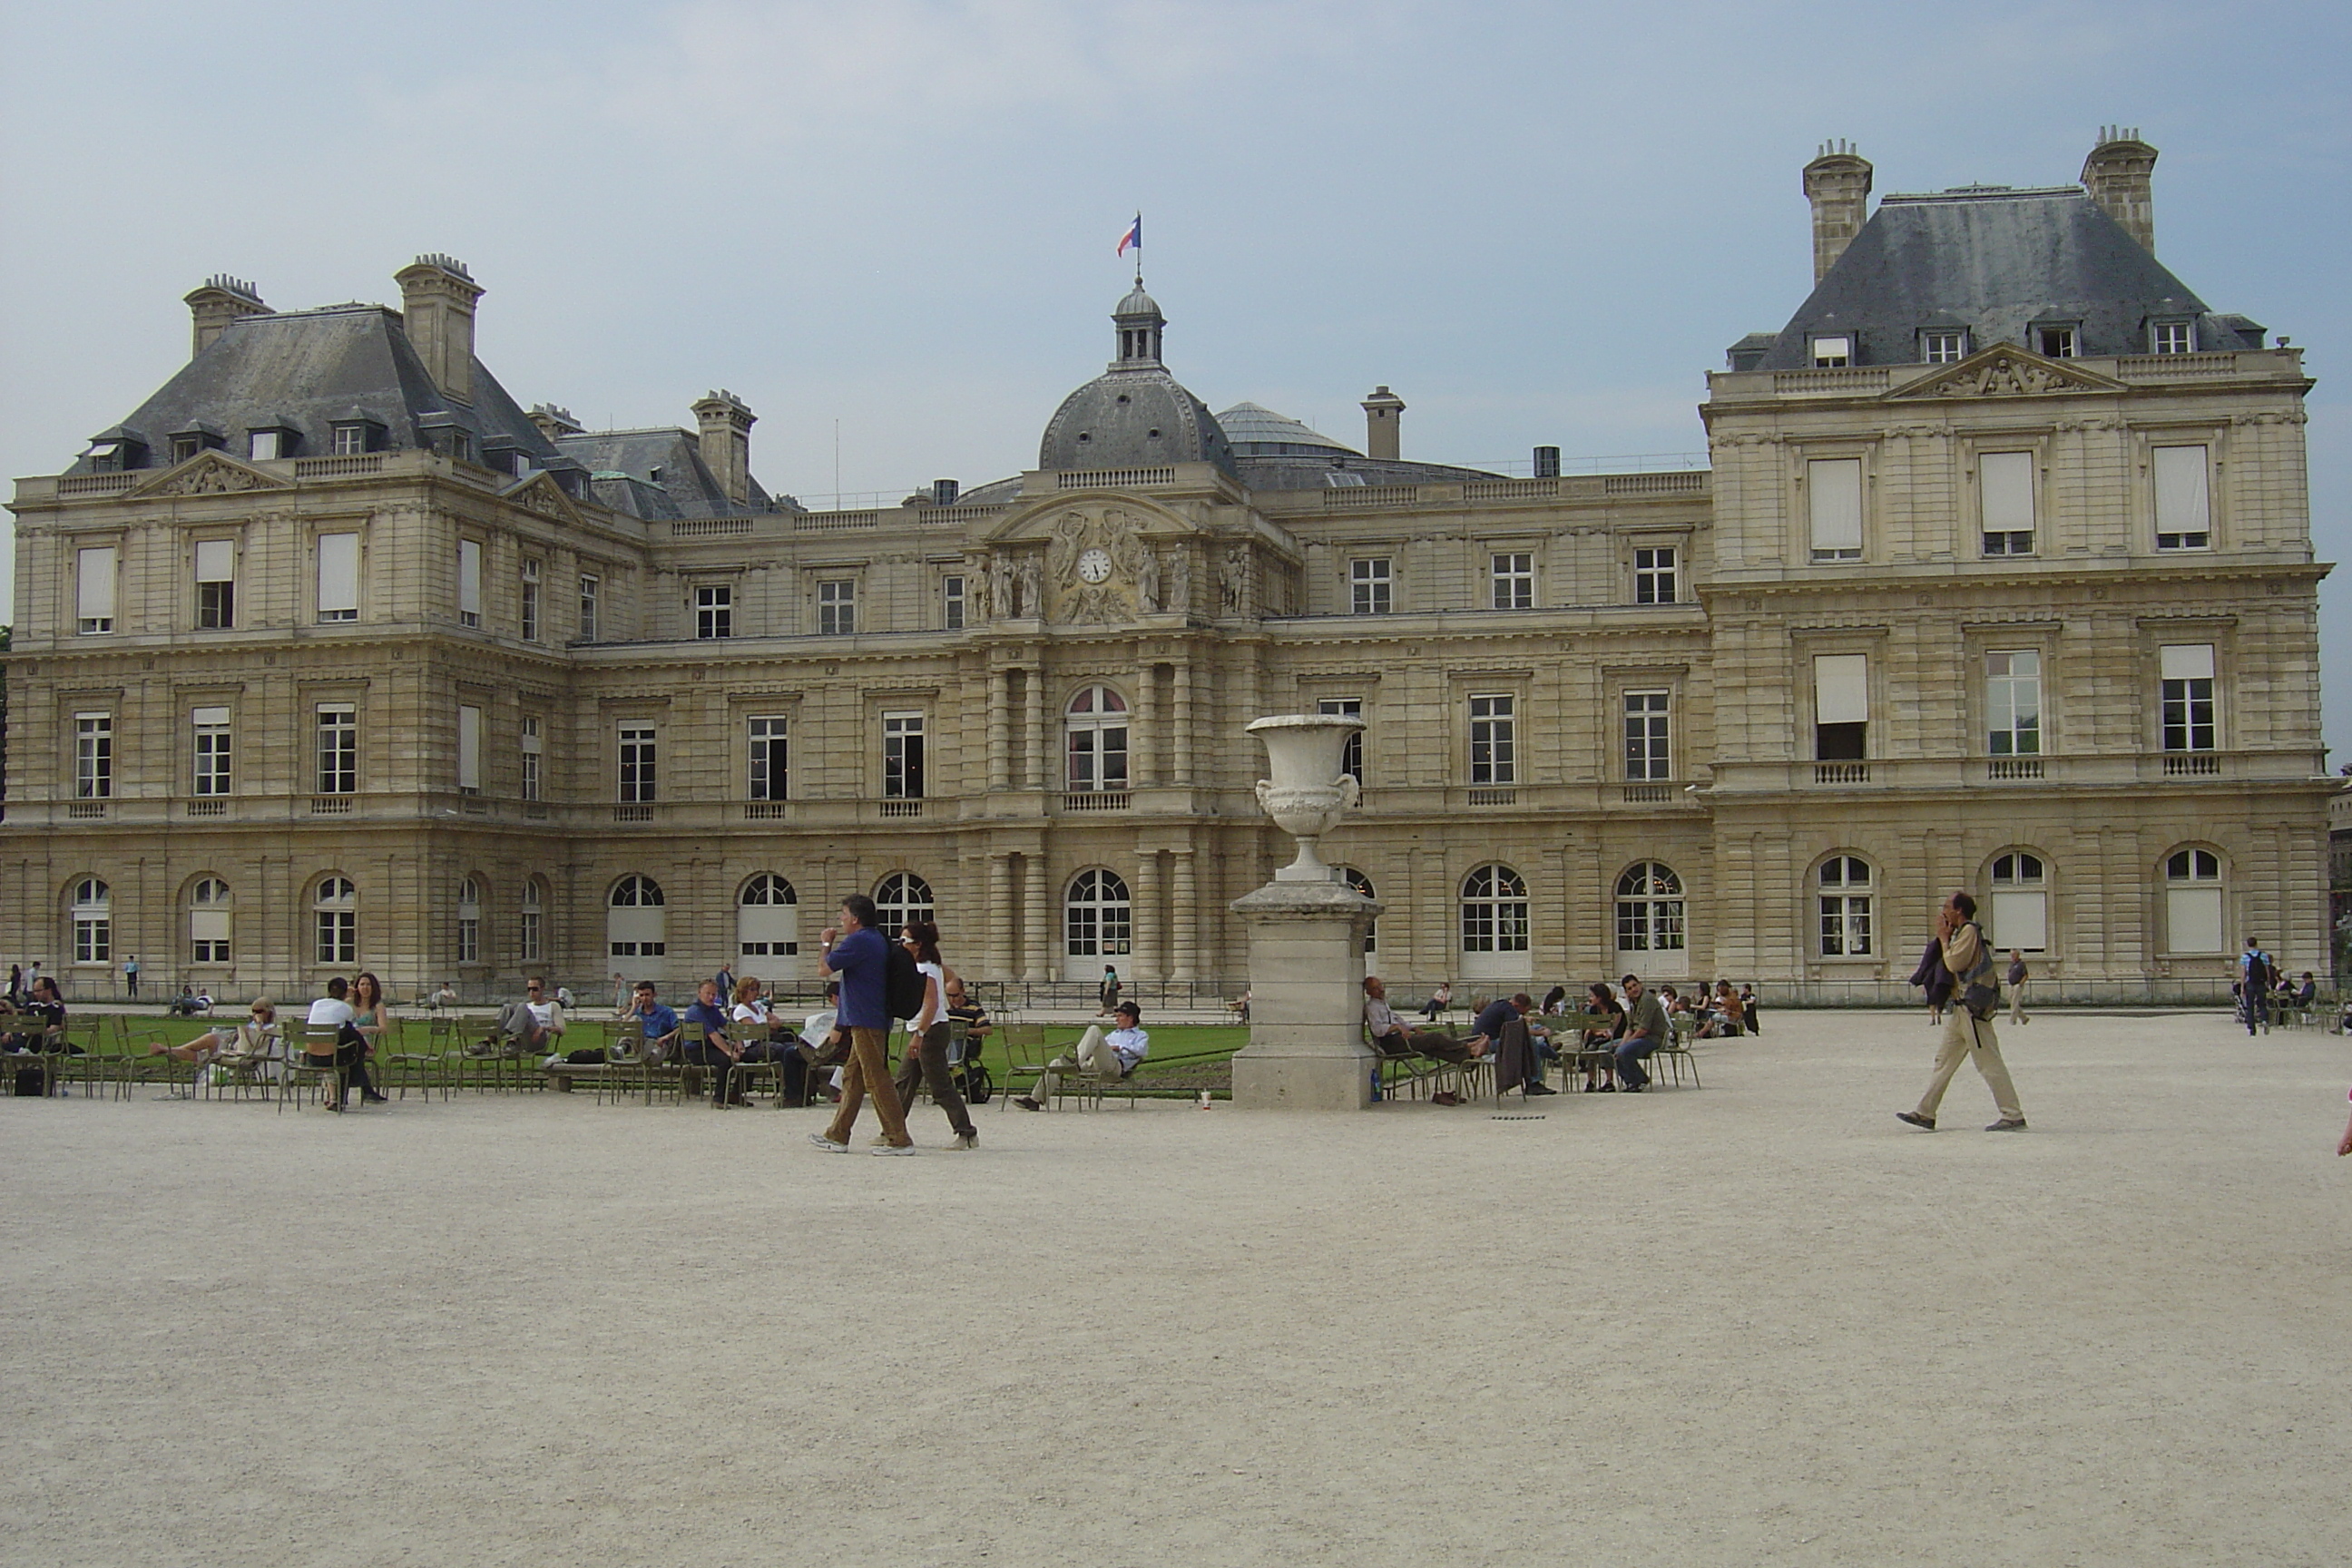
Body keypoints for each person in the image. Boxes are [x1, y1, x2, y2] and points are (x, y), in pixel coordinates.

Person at [1897, 892, 2028, 1132]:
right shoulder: (1962, 932)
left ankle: (2012, 1114)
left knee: (1989, 1063)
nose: (1943, 911)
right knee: (1943, 1062)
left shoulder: (1968, 931)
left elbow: (1954, 963)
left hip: (1971, 1010)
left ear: (1959, 911)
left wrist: (1943, 940)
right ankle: (1925, 1112)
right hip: (1961, 1010)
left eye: (1947, 907)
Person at [809, 895, 914, 1153]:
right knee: (853, 1077)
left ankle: (899, 1138)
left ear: (855, 918)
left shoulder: (860, 940)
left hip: (866, 1019)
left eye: (843, 914)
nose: (841, 919)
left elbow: (823, 969)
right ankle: (838, 1134)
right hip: (864, 1017)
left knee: (876, 1078)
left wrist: (826, 942)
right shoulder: (875, 938)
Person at [888, 920, 978, 1150]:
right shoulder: (929, 965)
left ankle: (966, 1133)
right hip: (926, 1028)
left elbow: (930, 1004)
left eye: (905, 941)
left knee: (940, 1085)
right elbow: (950, 975)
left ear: (917, 944)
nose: (901, 944)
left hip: (930, 1030)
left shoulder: (925, 968)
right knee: (905, 1081)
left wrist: (919, 1034)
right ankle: (891, 1130)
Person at [1016, 1001, 1148, 1110]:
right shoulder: (1114, 1034)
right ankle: (1035, 1100)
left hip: (1116, 1067)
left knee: (1094, 1029)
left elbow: (1141, 1051)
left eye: (1120, 1016)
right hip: (1095, 1064)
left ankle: (1076, 1062)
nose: (1116, 1019)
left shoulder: (1141, 1035)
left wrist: (1119, 1047)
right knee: (1056, 1063)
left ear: (1130, 1017)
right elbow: (1098, 1047)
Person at [147, 1000, 282, 1093]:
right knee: (200, 1055)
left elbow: (259, 1042)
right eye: (253, 1011)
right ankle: (168, 1050)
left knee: (209, 1039)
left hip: (240, 1053)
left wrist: (259, 1024)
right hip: (231, 1046)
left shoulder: (271, 1027)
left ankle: (168, 1050)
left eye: (259, 1011)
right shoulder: (254, 1023)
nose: (255, 1015)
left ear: (268, 1012)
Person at [1362, 975, 1485, 1064]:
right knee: (1434, 1038)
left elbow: (1398, 1019)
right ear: (1368, 992)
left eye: (1381, 986)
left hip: (1398, 1038)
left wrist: (1413, 1027)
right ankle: (1468, 1047)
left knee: (1432, 1048)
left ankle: (1467, 1058)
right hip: (1390, 1043)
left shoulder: (1383, 1004)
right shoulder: (1372, 1007)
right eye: (1376, 988)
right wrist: (1397, 1027)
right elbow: (1377, 1029)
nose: (1381, 989)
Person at [730, 976, 808, 1106]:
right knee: (780, 1050)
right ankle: (789, 1091)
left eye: (757, 989)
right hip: (753, 1045)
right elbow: (756, 1031)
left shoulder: (758, 1006)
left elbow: (777, 1021)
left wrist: (768, 1026)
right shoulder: (740, 1010)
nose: (756, 993)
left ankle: (801, 1091)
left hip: (768, 1040)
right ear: (743, 991)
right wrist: (769, 1025)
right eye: (752, 989)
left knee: (795, 1049)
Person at [302, 976, 375, 1112]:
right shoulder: (345, 1007)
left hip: (312, 1055)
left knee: (345, 1039)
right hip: (332, 1056)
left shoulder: (317, 1004)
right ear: (345, 992)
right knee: (349, 1041)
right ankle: (357, 1086)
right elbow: (353, 1027)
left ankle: (335, 1097)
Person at [1470, 993, 1554, 1097]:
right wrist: (1542, 1033)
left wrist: (1536, 1029)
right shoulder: (1508, 1009)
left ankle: (1546, 1050)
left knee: (1535, 1030)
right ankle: (1535, 1081)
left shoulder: (1503, 1005)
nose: (1522, 1014)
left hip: (1485, 1040)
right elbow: (1520, 1030)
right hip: (1485, 1044)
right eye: (1524, 1011)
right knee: (1529, 1041)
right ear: (1517, 1006)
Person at [681, 979, 740, 1108]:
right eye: (708, 994)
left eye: (714, 994)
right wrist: (728, 1051)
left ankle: (735, 1094)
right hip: (696, 1050)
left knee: (748, 1056)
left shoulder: (713, 1010)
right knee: (725, 1060)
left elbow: (727, 1026)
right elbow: (713, 1035)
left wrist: (738, 1041)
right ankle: (719, 1098)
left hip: (709, 1047)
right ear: (699, 993)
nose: (711, 997)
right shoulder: (695, 1011)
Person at [480, 976, 566, 1058]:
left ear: (542, 989)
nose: (531, 992)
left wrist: (543, 1028)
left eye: (535, 989)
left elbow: (562, 1030)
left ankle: (511, 1040)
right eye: (529, 989)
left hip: (539, 1040)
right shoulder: (527, 1007)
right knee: (507, 1007)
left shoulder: (552, 1006)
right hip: (522, 1039)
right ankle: (488, 1041)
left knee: (522, 1006)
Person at [1612, 975, 1670, 1093]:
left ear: (1640, 984)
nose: (1634, 989)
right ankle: (1630, 1081)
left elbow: (1643, 1029)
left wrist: (1626, 1044)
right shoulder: (1633, 1002)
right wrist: (1623, 1042)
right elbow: (1630, 1027)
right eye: (1629, 988)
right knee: (1608, 1048)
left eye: (1635, 985)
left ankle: (1640, 1079)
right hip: (1640, 1037)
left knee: (1623, 1051)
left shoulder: (1647, 1000)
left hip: (1653, 1038)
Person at [941, 974, 993, 1103]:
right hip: (943, 1044)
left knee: (954, 1039)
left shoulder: (974, 1007)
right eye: (949, 995)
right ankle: (957, 1075)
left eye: (955, 995)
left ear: (963, 991)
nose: (952, 1000)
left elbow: (988, 1029)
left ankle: (955, 1072)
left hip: (965, 1045)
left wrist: (966, 1031)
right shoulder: (943, 1008)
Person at [347, 972, 392, 1103]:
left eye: (368, 985)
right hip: (350, 1039)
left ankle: (351, 1090)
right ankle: (367, 1090)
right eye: (362, 984)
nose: (365, 988)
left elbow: (383, 1028)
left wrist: (366, 1029)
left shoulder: (378, 1006)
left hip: (366, 1041)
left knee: (351, 1052)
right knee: (348, 1050)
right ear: (356, 987)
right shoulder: (349, 1003)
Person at [1579, 981, 1625, 1091]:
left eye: (1592, 996)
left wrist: (1602, 1031)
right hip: (1600, 1038)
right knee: (1590, 1049)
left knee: (1603, 1049)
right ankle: (1591, 1081)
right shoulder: (1594, 1010)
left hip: (1617, 1037)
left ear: (1600, 997)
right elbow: (1593, 1029)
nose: (1590, 999)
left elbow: (1614, 1028)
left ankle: (1609, 1081)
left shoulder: (1615, 1008)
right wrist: (1600, 1031)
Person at [622, 980, 681, 1063]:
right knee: (634, 1019)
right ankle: (623, 1047)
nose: (644, 998)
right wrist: (633, 1008)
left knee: (653, 1050)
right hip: (641, 1044)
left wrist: (666, 1037)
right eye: (641, 995)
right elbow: (621, 1027)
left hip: (658, 1043)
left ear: (654, 995)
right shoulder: (636, 1012)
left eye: (647, 995)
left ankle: (647, 1057)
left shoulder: (666, 1011)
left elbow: (679, 1028)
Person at [1908, 938, 1951, 1026]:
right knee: (1940, 997)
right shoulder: (1946, 948)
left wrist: (1920, 976)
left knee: (1931, 998)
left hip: (1930, 976)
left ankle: (1933, 1018)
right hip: (1941, 974)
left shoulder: (1932, 948)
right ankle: (1938, 1015)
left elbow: (1925, 963)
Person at [2239, 939, 2273, 1035]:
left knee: (2250, 1006)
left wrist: (2242, 987)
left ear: (2248, 945)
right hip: (2261, 983)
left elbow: (2243, 973)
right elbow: (2267, 972)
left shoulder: (2245, 957)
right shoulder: (2263, 955)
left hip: (2250, 983)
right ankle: (2265, 1020)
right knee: (2262, 1004)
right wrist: (2267, 983)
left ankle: (2252, 1028)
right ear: (2256, 944)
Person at [2007, 950, 2032, 1024]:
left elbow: (2026, 975)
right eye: (2011, 955)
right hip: (2011, 985)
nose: (2012, 957)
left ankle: (2012, 1020)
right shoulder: (2012, 964)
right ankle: (2024, 1018)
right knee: (2012, 1002)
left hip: (2017, 985)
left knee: (2015, 1002)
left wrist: (2021, 983)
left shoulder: (2021, 964)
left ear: (2018, 955)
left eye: (2013, 955)